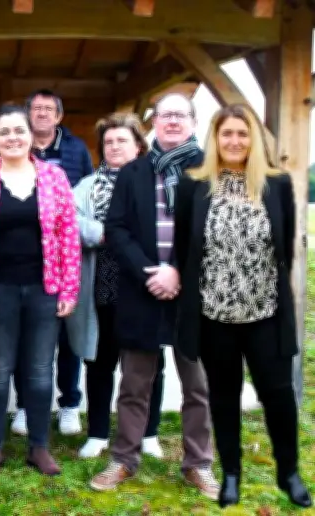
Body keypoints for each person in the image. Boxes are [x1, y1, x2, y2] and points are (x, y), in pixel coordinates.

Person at [174, 104, 312, 508]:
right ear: (215, 139)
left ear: (254, 139)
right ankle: (231, 473)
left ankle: (289, 472)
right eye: (227, 134)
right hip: (214, 315)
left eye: (242, 133)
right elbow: (185, 248)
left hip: (265, 312)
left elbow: (285, 248)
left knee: (278, 394)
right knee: (223, 395)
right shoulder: (193, 186)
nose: (235, 141)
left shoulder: (277, 184)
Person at [89, 93, 219, 500]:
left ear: (193, 121)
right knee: (134, 383)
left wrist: (177, 270)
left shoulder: (211, 169)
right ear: (154, 122)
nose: (173, 121)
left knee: (198, 385)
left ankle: (198, 464)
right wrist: (150, 271)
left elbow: (216, 228)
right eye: (165, 115)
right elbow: (117, 228)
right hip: (141, 288)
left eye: (180, 115)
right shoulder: (134, 172)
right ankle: (124, 459)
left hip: (193, 293)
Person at [0, 104, 80, 478]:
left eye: (19, 130)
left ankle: (39, 447)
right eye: (4, 132)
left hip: (45, 289)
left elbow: (69, 235)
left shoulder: (54, 178)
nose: (12, 137)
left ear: (31, 135)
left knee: (40, 371)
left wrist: (69, 289)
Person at [69, 113, 166, 459]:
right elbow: (70, 221)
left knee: (149, 364)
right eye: (108, 142)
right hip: (102, 285)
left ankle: (148, 432)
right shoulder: (86, 186)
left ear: (138, 146)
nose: (113, 146)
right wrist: (107, 233)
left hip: (144, 286)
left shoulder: (156, 183)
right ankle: (97, 433)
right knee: (100, 362)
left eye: (121, 140)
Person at [11, 89, 94, 437]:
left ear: (59, 116)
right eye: (36, 108)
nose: (42, 113)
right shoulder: (16, 144)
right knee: (25, 339)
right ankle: (25, 405)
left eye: (49, 109)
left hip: (64, 255)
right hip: (25, 255)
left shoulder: (76, 149)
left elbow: (87, 193)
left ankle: (69, 404)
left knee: (66, 336)